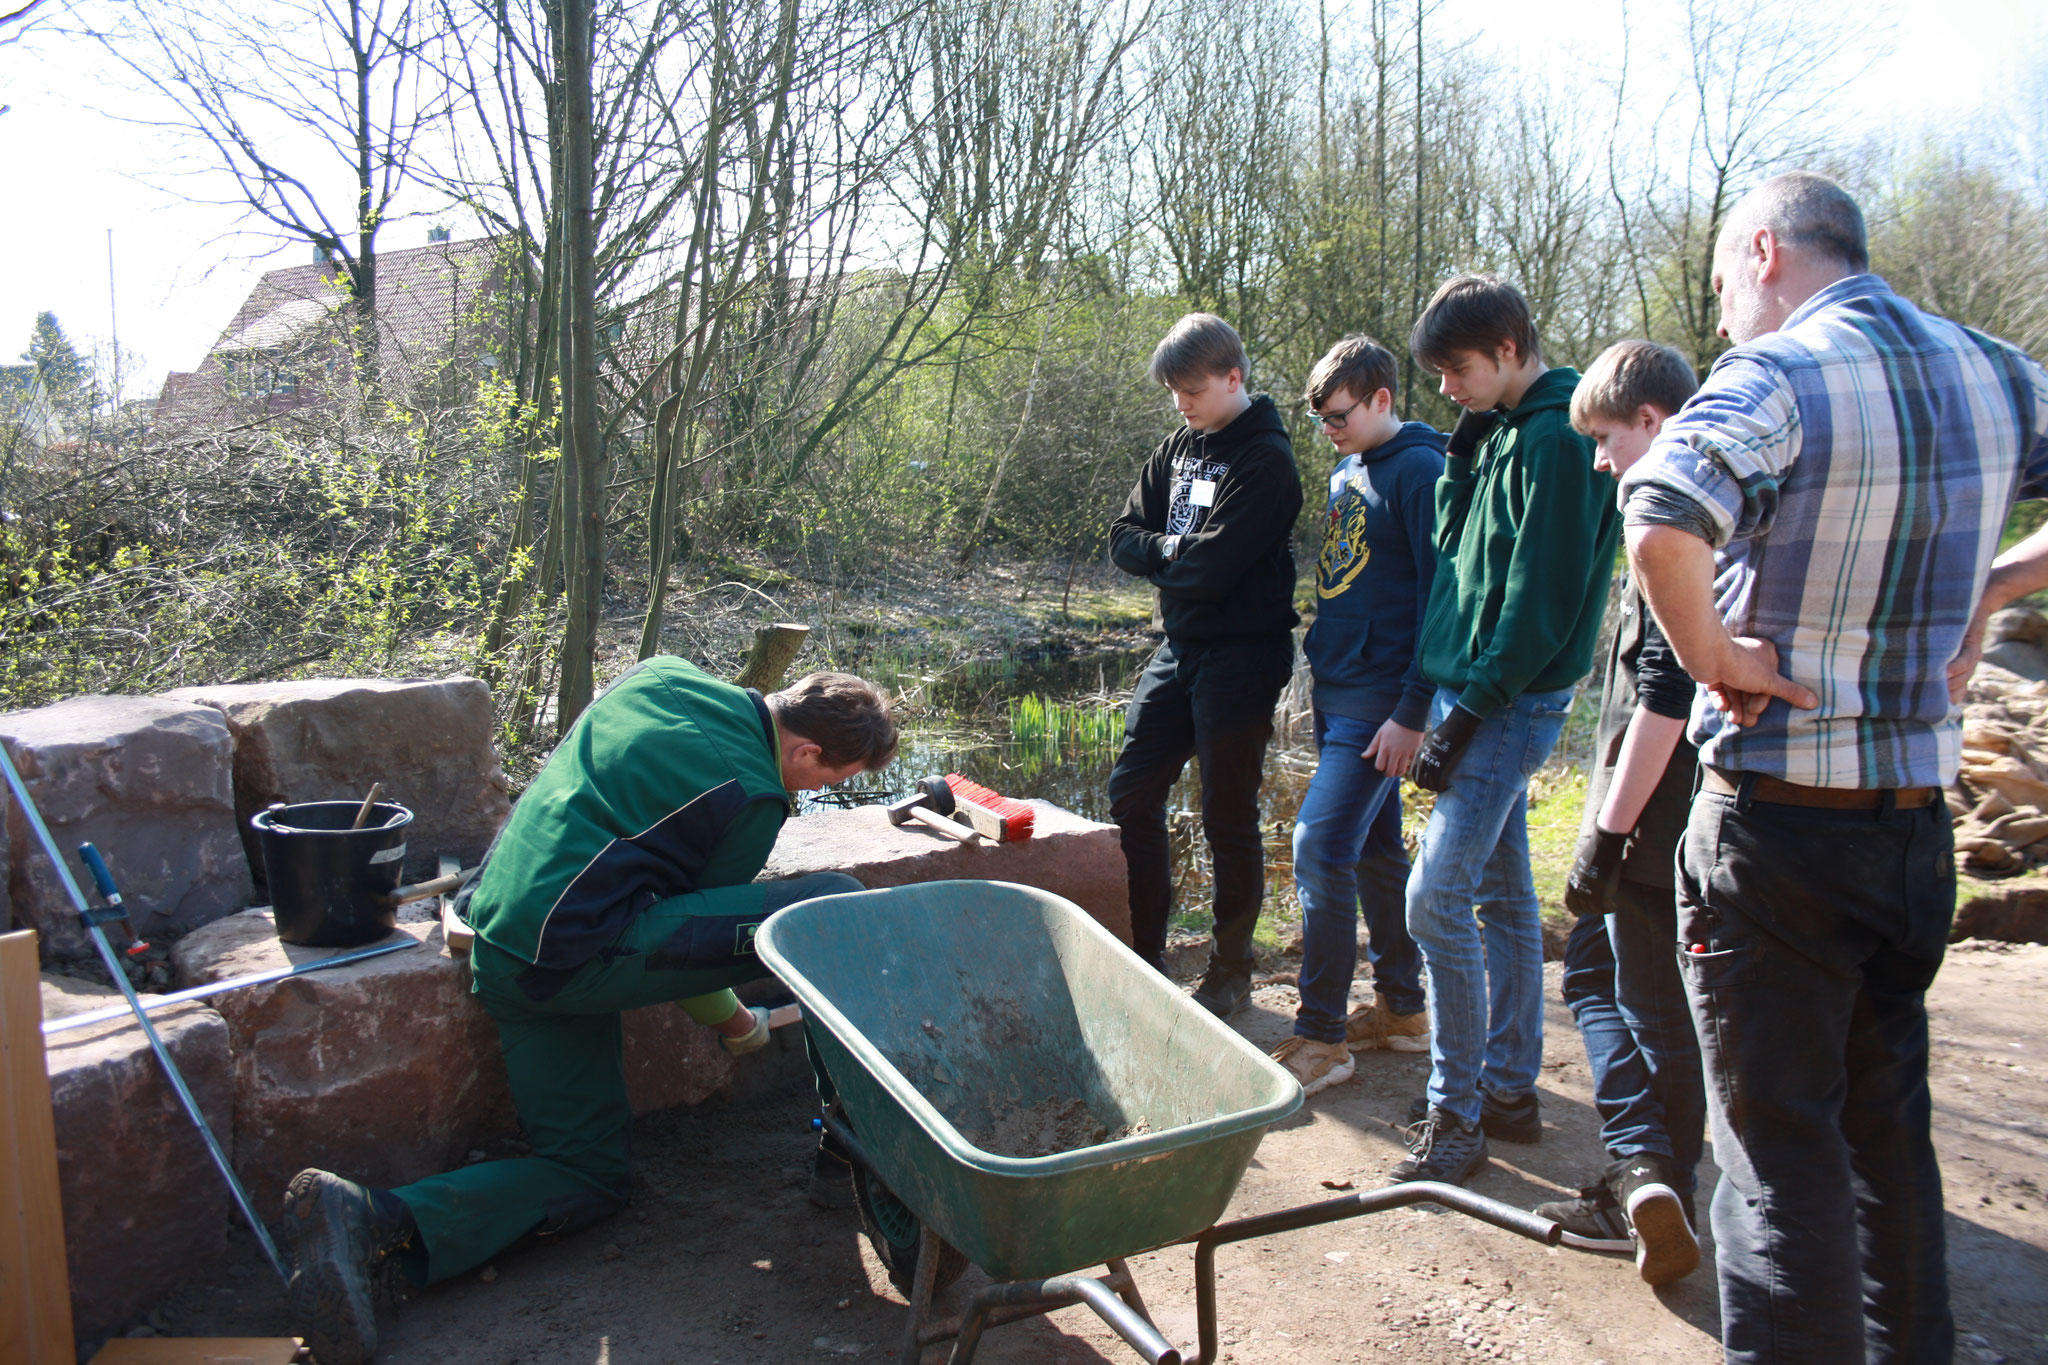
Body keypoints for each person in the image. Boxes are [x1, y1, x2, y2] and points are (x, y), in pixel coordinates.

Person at [1619, 170, 2048, 1364]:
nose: (1716, 321)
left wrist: (1717, 657)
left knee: (1774, 1156)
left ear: (1761, 249)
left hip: (1777, 834)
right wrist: (1995, 583)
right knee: (1884, 1136)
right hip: (1914, 834)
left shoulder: (1778, 375)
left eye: (1717, 286)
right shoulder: (2000, 369)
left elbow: (1656, 513)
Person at [278, 661, 898, 1365]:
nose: (822, 791)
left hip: (506, 943)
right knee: (831, 903)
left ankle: (372, 1217)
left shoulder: (662, 678)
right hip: (574, 953)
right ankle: (844, 1147)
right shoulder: (755, 794)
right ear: (806, 750)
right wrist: (737, 1025)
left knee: (588, 1174)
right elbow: (695, 959)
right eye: (832, 778)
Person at [1390, 274, 1620, 1185]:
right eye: (1439, 374)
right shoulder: (1502, 435)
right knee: (1498, 896)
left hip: (1507, 699)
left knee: (1430, 900)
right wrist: (1461, 452)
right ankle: (1508, 1088)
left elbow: (1540, 601)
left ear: (1513, 348)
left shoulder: (1560, 441)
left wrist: (1470, 713)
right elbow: (1455, 553)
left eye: (1460, 369)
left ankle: (1459, 1117)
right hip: (1471, 690)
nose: (1448, 387)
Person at [1532, 340, 1706, 1287]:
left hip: (1657, 820)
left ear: (1653, 421)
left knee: (1627, 995)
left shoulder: (1667, 518)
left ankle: (1651, 1178)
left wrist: (1604, 833)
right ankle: (1656, 1175)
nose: (1599, 460)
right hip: (1679, 817)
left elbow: (1666, 695)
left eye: (1605, 438)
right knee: (1636, 994)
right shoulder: (1717, 507)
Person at [1108, 312, 1303, 1017]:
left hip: (1244, 655)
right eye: (1173, 392)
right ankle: (1146, 951)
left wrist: (1167, 558)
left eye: (1192, 389)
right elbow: (1122, 537)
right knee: (1131, 791)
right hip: (1180, 649)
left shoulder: (1267, 461)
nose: (1182, 404)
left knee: (1227, 814)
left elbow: (1213, 569)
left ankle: (1230, 969)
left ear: (1233, 377)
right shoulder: (1178, 448)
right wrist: (1168, 553)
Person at [1267, 335, 1441, 1094]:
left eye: (1339, 415)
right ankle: (1403, 1011)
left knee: (1318, 846)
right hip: (1343, 688)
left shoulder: (1422, 472)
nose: (1328, 429)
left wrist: (1413, 711)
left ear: (1382, 400)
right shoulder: (1348, 469)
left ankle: (1322, 1034)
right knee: (1373, 853)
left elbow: (1445, 602)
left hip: (1382, 703)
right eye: (1319, 419)